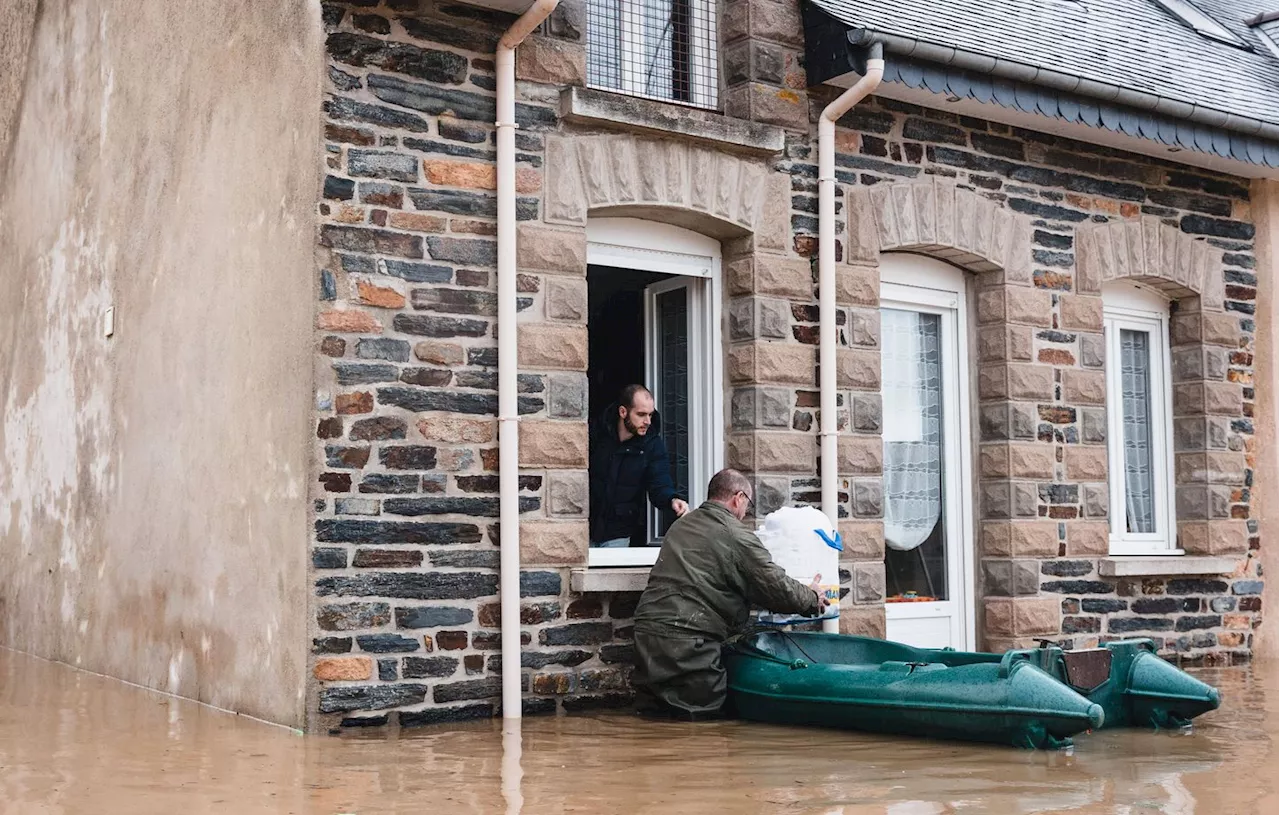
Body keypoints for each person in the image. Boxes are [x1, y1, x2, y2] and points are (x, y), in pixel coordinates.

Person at [631, 468, 829, 719]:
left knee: (651, 720)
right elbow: (772, 584)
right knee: (701, 727)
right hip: (689, 643)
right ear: (738, 498)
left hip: (646, 635)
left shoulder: (682, 525)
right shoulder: (735, 534)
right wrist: (812, 598)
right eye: (748, 503)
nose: (746, 512)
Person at [589, 384, 689, 548]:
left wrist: (672, 499)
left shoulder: (652, 445)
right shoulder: (597, 433)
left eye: (650, 414)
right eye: (641, 414)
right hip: (583, 525)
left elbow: (659, 481)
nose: (647, 421)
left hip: (618, 532)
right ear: (623, 412)